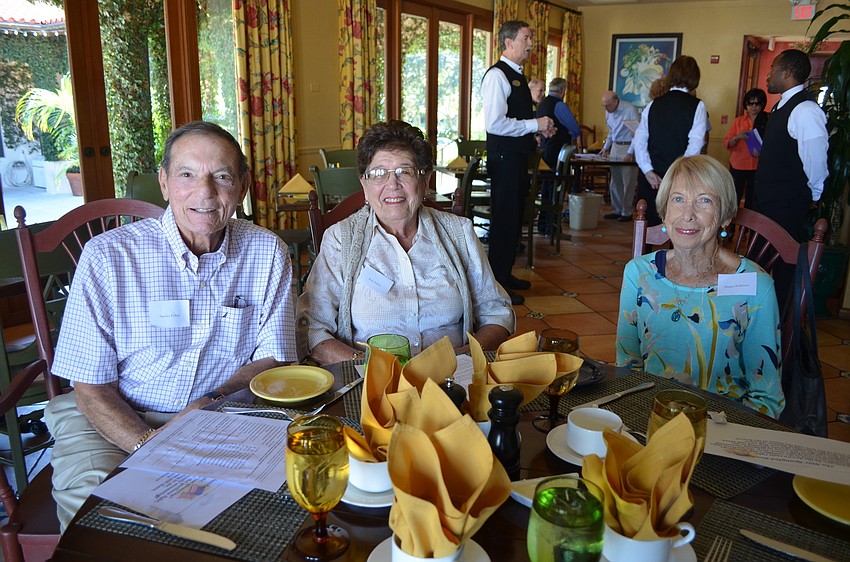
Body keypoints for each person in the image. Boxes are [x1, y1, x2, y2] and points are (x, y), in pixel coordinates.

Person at [43, 121, 297, 531]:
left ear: (243, 186)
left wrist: (210, 402)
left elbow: (273, 359)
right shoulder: (109, 257)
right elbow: (89, 388)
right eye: (187, 175)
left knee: (264, 517)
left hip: (224, 416)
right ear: (163, 183)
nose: (205, 192)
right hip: (110, 419)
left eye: (222, 176)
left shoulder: (267, 252)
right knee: (104, 528)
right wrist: (152, 447)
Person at [296, 120, 515, 365]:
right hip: (368, 381)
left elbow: (497, 312)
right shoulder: (340, 239)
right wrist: (370, 366)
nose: (392, 184)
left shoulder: (459, 233)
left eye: (405, 171)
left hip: (451, 377)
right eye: (379, 173)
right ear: (364, 184)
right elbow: (313, 329)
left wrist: (460, 357)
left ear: (424, 182)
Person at [616, 155, 784, 419]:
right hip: (650, 418)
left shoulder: (755, 285)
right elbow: (627, 369)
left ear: (726, 216)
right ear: (664, 210)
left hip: (723, 427)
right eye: (678, 199)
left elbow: (766, 397)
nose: (687, 215)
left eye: (704, 200)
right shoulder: (638, 273)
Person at [481, 20, 555, 305]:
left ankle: (506, 273)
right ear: (508, 42)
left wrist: (537, 130)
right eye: (526, 38)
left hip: (516, 155)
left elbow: (516, 120)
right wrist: (535, 123)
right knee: (504, 218)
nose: (530, 44)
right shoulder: (497, 76)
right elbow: (495, 123)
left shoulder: (518, 76)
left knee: (513, 218)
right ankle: (497, 284)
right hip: (504, 157)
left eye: (531, 38)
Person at [753, 49, 828, 242]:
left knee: (783, 259)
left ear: (786, 73)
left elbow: (816, 157)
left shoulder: (806, 110)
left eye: (772, 69)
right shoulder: (780, 106)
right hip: (768, 199)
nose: (768, 75)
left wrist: (815, 193)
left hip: (787, 202)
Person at [632, 55, 708, 226]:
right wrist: (677, 174)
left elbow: (640, 140)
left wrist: (647, 171)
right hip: (679, 176)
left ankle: (645, 253)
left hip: (651, 177)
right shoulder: (697, 105)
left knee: (647, 223)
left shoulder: (653, 104)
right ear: (695, 77)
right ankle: (676, 253)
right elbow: (695, 145)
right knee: (678, 222)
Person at [724, 88, 769, 207]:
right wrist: (737, 137)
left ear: (762, 104)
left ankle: (748, 224)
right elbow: (727, 143)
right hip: (738, 164)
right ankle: (731, 224)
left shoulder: (768, 120)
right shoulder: (738, 122)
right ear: (746, 104)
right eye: (750, 103)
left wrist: (763, 152)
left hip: (758, 165)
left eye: (757, 103)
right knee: (735, 196)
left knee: (752, 198)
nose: (754, 107)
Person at [600, 90, 639, 222]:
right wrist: (606, 148)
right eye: (604, 105)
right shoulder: (609, 111)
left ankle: (626, 212)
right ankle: (616, 210)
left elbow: (636, 132)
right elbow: (612, 131)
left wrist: (630, 152)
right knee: (615, 181)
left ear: (616, 101)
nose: (605, 108)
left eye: (608, 105)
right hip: (615, 147)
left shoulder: (629, 109)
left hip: (628, 146)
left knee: (628, 182)